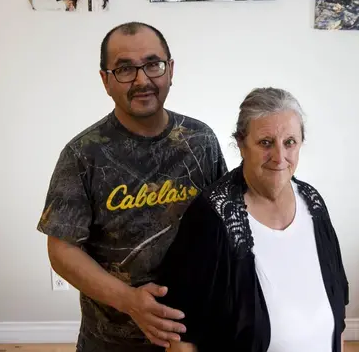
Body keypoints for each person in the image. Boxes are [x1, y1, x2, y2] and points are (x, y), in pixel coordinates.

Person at [37, 22, 227, 352]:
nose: (142, 80)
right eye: (125, 68)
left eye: (153, 64)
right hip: (111, 342)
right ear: (105, 80)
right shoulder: (82, 154)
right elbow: (62, 250)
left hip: (193, 335)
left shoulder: (201, 141)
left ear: (170, 70)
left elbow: (226, 224)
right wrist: (130, 301)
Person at [157, 87, 349, 352]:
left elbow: (336, 311)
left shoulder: (313, 203)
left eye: (290, 142)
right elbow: (182, 339)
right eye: (266, 143)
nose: (279, 157)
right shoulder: (210, 217)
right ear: (241, 144)